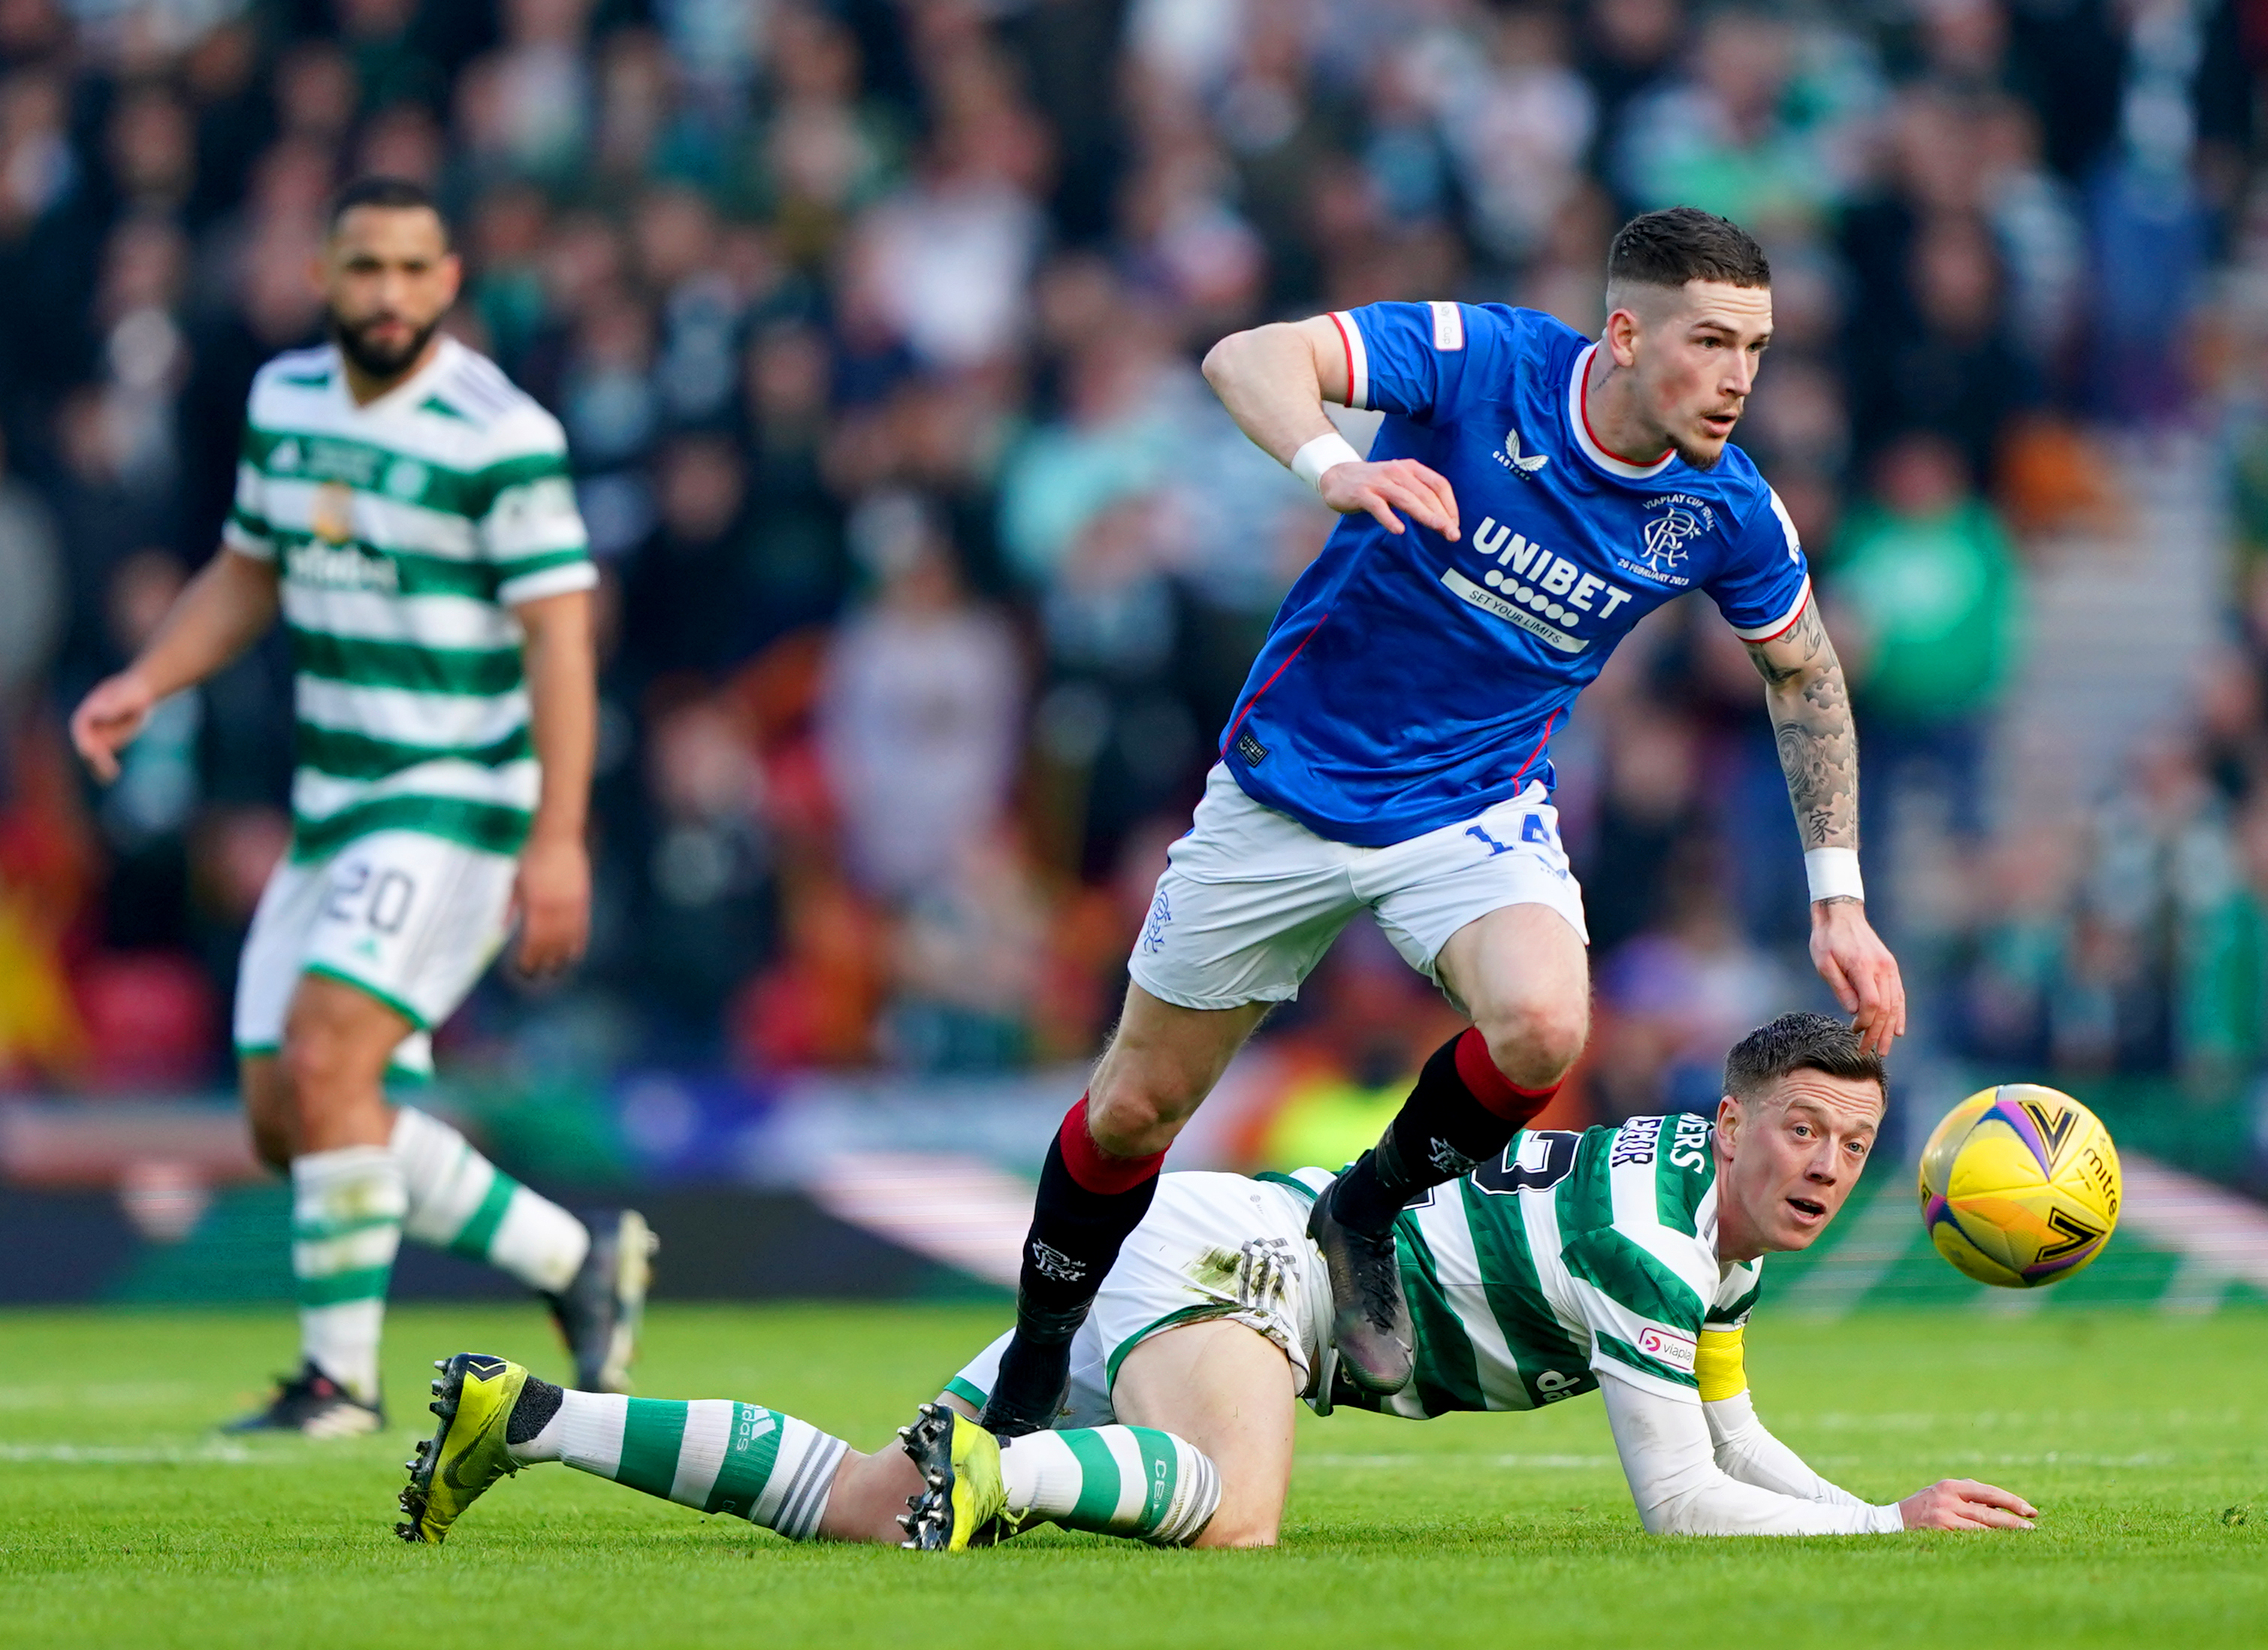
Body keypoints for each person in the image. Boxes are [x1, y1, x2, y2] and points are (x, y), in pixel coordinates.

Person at [976, 205, 1907, 1437]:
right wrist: (1335, 467)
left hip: (1471, 804)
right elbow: (1244, 357)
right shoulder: (1486, 362)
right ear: (1624, 333)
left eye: (1757, 348)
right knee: (1134, 1110)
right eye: (1711, 342)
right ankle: (1037, 1356)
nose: (1738, 379)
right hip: (1286, 786)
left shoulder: (1726, 507)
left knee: (1540, 1025)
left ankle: (1365, 1209)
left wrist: (1836, 901)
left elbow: (1802, 673)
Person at [397, 1013, 2034, 1549]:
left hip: (1215, 1247)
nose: (1823, 1165)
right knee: (1237, 1514)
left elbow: (1733, 1438)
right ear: (1731, 1121)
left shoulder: (1702, 1219)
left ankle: (535, 1418)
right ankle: (1010, 1473)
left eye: (1850, 1143)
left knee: (849, 1500)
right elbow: (1678, 1504)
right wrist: (1880, 1533)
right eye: (1800, 1132)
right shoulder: (1649, 1242)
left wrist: (1873, 1510)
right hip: (1251, 1269)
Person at [68, 177, 653, 1437]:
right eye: (362, 268)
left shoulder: (499, 431)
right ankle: (574, 1258)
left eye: (409, 270)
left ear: (448, 283)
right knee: (294, 1117)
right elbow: (249, 568)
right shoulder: (283, 400)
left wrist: (557, 838)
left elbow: (562, 639)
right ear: (324, 276)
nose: (385, 293)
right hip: (333, 801)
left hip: (455, 799)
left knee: (333, 1054)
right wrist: (149, 681)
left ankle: (336, 1385)